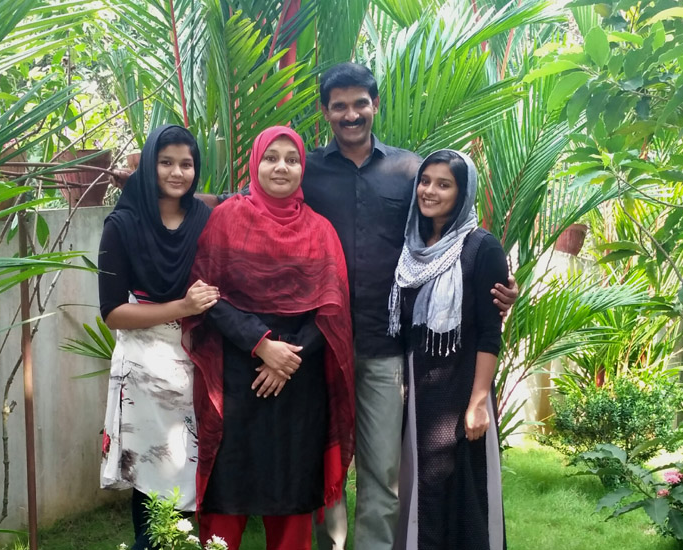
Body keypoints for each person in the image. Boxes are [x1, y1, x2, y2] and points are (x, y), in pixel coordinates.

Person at [199, 62, 518, 550]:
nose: (350, 114)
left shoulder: (409, 171)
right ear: (326, 112)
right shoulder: (307, 169)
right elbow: (253, 201)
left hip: (382, 345)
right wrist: (163, 190)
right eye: (339, 106)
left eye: (359, 104)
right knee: (318, 461)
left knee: (381, 472)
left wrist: (496, 281)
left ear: (375, 105)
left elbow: (448, 228)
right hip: (317, 346)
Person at [183, 126, 355, 550]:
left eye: (292, 159)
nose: (282, 167)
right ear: (255, 163)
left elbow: (332, 309)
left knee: (292, 497)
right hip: (237, 377)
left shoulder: (320, 230)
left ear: (302, 168)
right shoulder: (226, 219)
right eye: (271, 158)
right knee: (227, 495)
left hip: (299, 385)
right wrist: (261, 344)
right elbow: (206, 295)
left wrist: (288, 359)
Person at [97, 125, 217, 550]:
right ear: (149, 165)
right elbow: (113, 313)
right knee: (151, 477)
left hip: (196, 362)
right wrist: (182, 307)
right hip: (144, 370)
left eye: (187, 164)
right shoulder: (122, 225)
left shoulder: (205, 219)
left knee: (186, 473)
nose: (177, 173)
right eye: (166, 162)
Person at [389, 150, 508, 550]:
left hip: (461, 388)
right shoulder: (411, 247)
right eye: (425, 181)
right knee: (423, 485)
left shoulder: (481, 248)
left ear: (463, 192)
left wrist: (478, 402)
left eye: (444, 184)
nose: (430, 191)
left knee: (464, 491)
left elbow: (490, 333)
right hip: (419, 391)